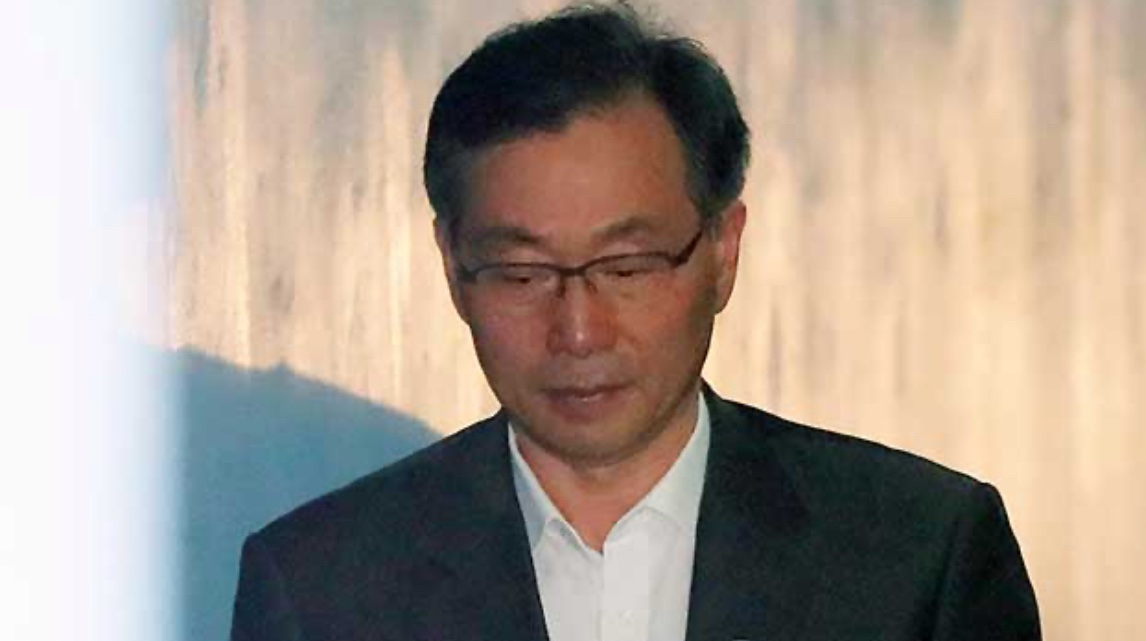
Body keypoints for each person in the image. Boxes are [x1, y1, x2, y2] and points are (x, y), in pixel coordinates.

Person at [231, 3, 1041, 640]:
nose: (579, 330)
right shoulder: (319, 587)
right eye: (521, 273)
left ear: (722, 250)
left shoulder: (916, 557)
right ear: (452, 266)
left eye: (626, 267)